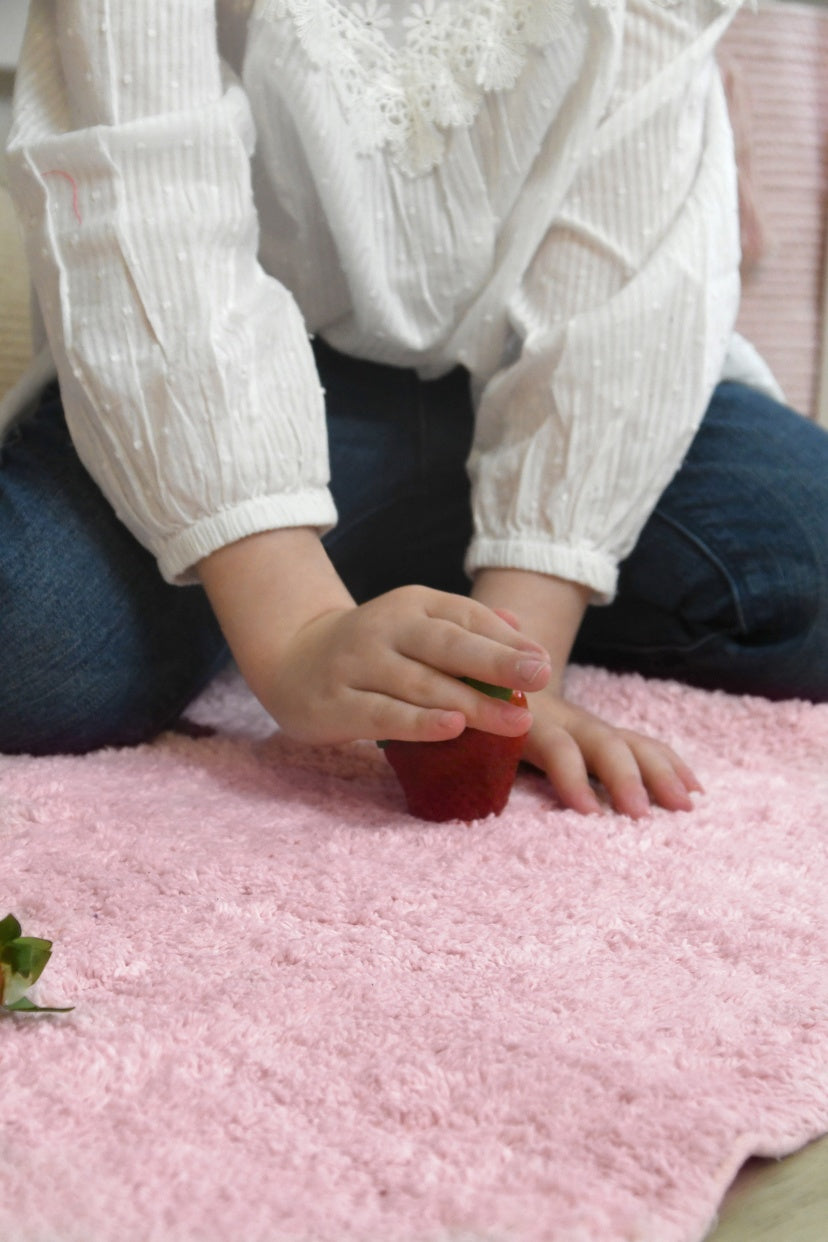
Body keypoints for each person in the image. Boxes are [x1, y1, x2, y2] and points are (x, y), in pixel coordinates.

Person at [2, 0, 827, 818]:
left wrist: (520, 654)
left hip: (567, 381)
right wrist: (292, 632)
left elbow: (619, 264)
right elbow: (145, 203)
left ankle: (436, 607)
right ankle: (304, 593)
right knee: (27, 641)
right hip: (239, 384)